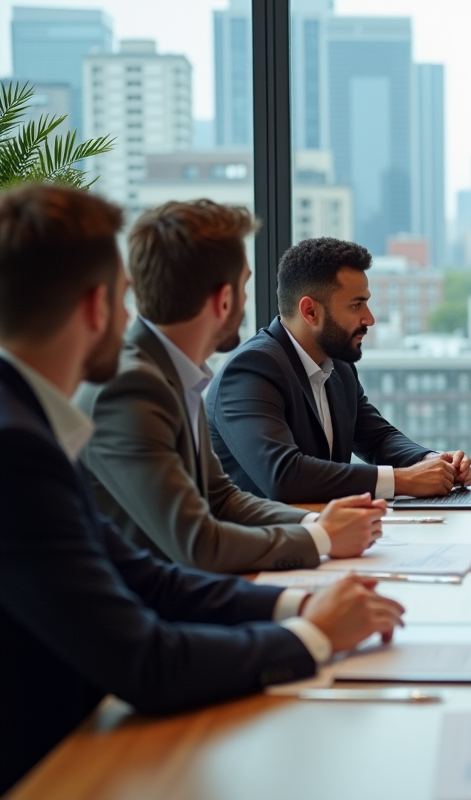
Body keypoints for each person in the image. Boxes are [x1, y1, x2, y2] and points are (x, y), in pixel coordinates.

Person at [0, 184, 404, 793]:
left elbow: (142, 573)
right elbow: (147, 660)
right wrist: (314, 634)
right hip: (54, 765)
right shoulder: (20, 449)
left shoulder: (30, 423)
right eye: (123, 293)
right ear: (95, 308)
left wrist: (296, 604)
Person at [75, 202, 388, 574]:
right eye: (244, 286)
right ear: (224, 300)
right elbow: (198, 544)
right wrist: (322, 539)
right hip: (150, 610)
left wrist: (316, 525)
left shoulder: (170, 373)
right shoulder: (131, 387)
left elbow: (221, 499)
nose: (245, 302)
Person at [207, 238, 471, 504]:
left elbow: (378, 439)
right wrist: (402, 480)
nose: (369, 319)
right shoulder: (250, 370)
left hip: (329, 533)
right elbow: (283, 476)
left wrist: (432, 462)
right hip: (264, 541)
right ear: (310, 311)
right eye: (356, 305)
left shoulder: (338, 367)